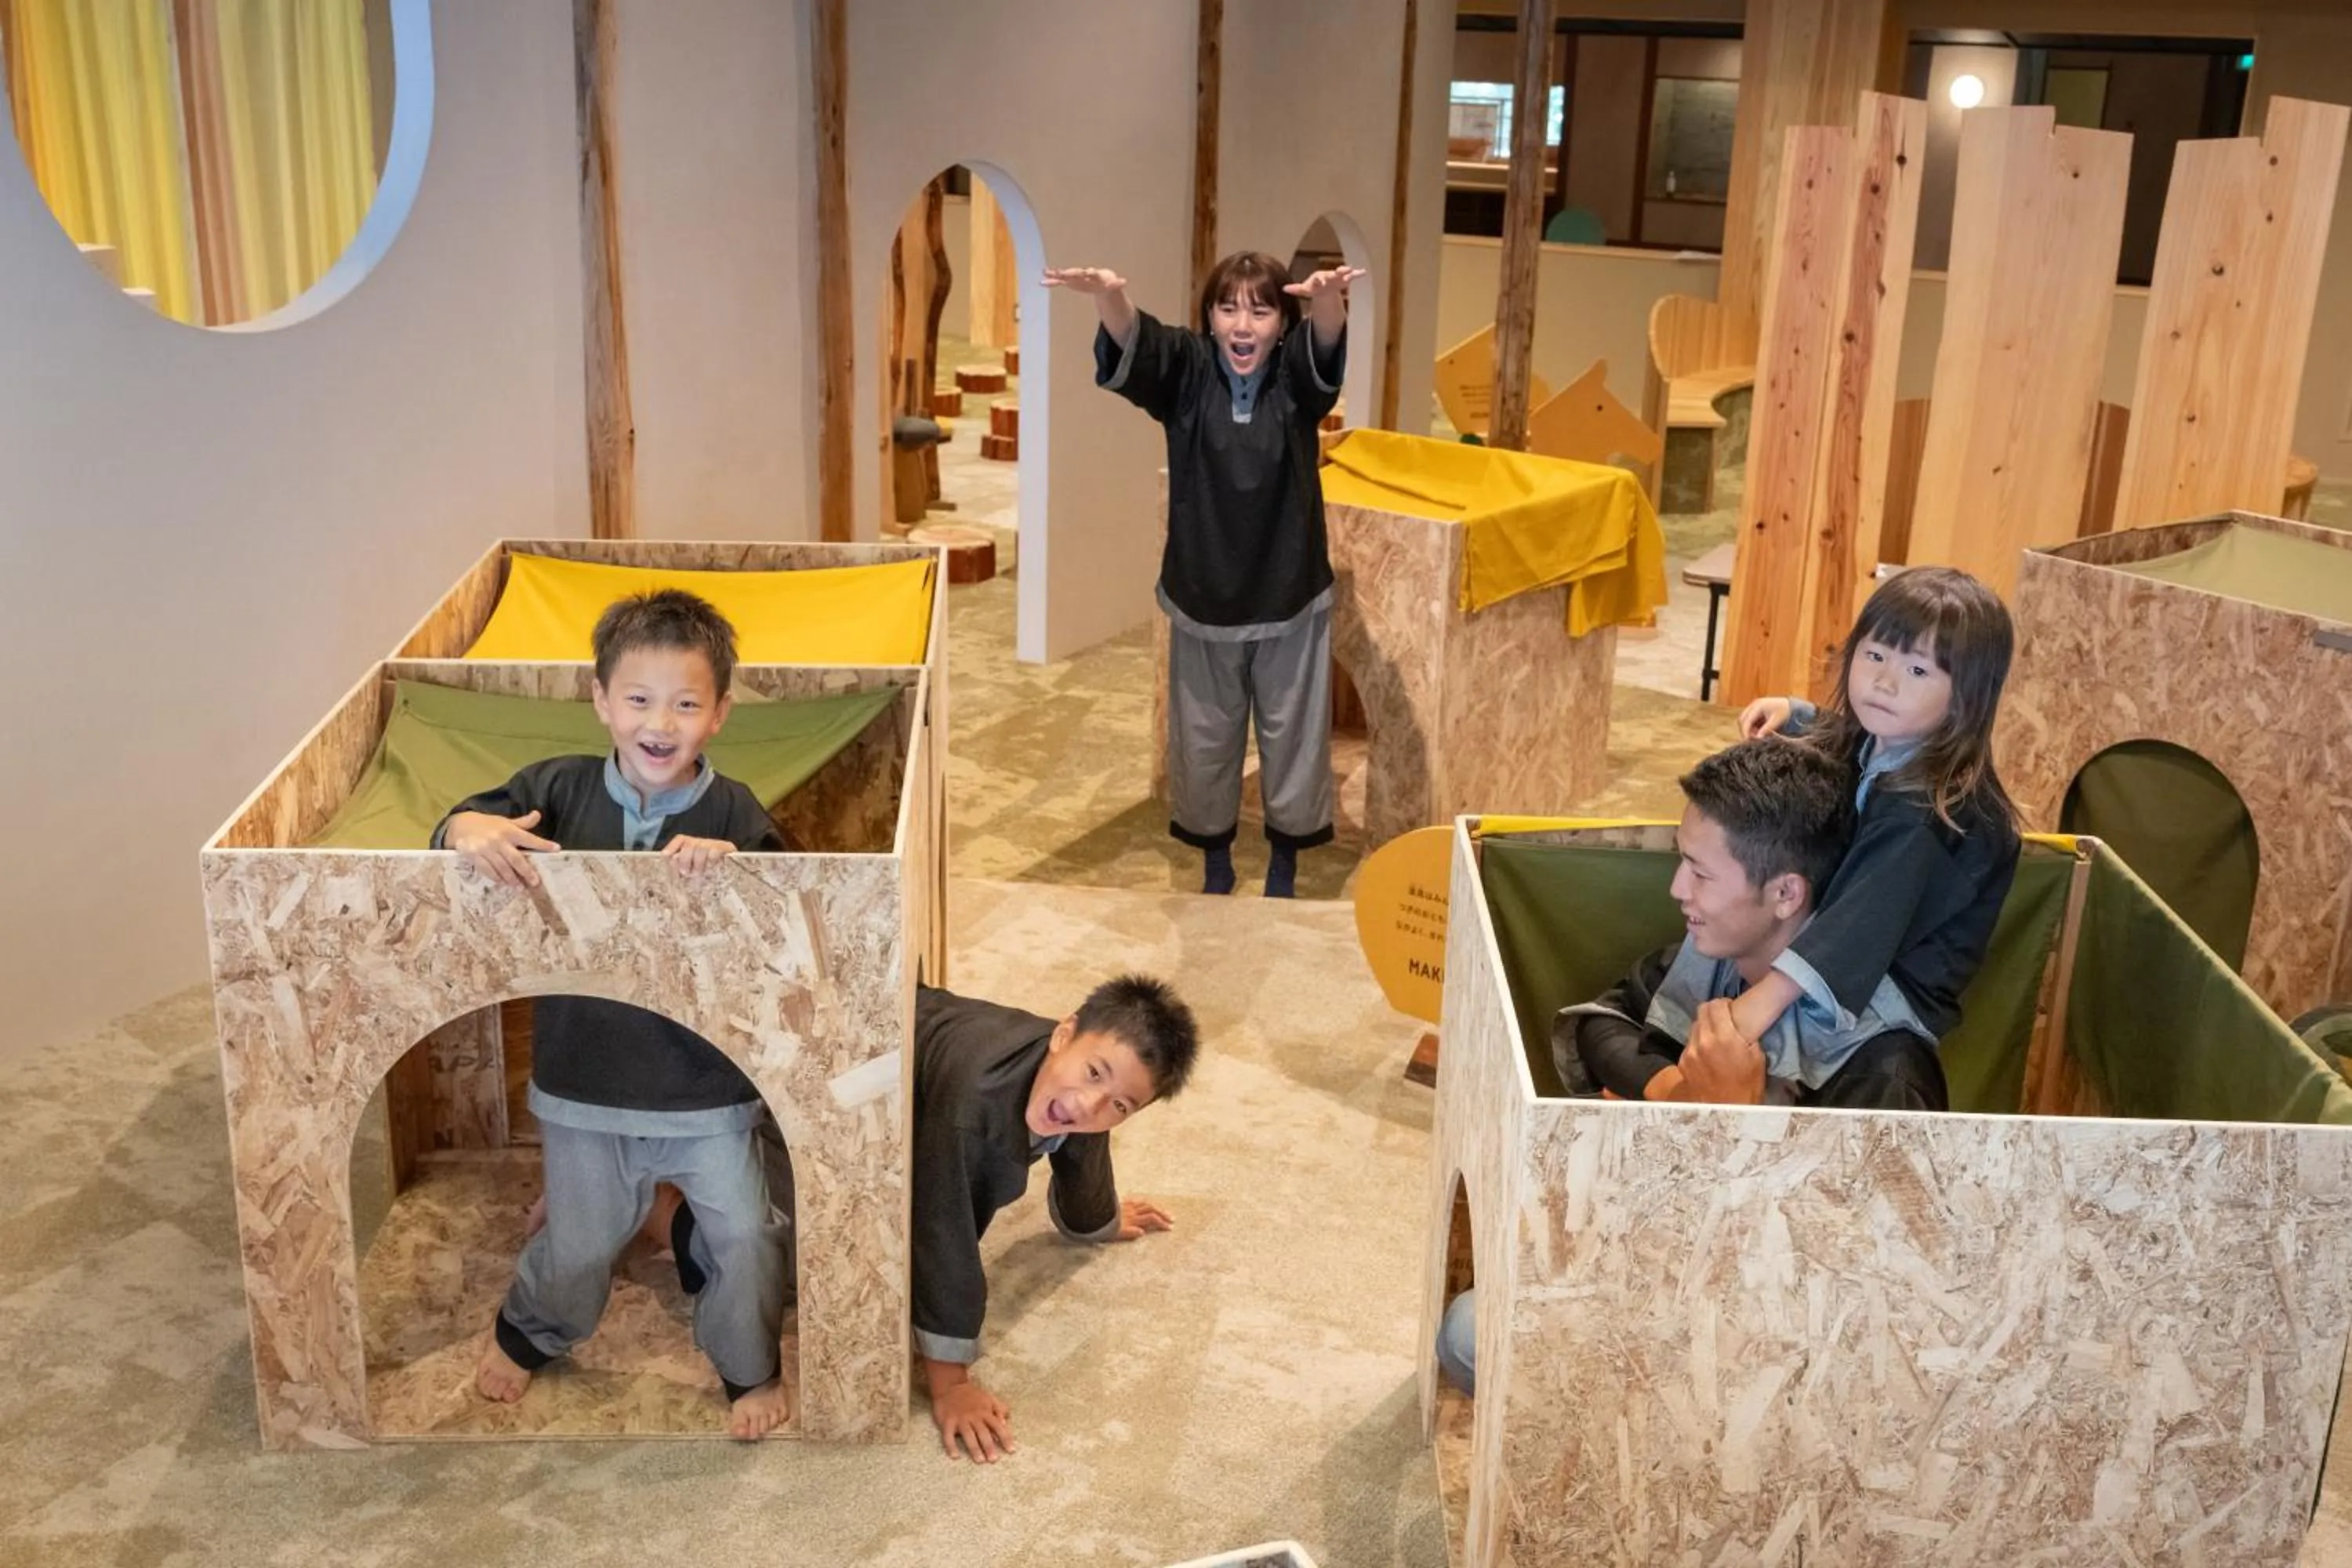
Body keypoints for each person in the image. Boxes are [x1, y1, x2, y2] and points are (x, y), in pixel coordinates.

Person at [1435, 739, 1940, 1398]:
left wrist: (1735, 1120)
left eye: (1701, 873)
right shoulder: (1717, 959)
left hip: (1776, 1353)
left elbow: (1858, 1296)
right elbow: (1601, 1023)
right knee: (1466, 1330)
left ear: (1786, 892)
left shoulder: (1884, 1065)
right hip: (1676, 1265)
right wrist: (1679, 1089)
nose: (1678, 889)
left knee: (1479, 1338)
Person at [442, 588, 794, 1441]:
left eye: (685, 701)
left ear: (719, 714)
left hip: (703, 1086)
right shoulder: (557, 787)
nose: (659, 721)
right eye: (637, 698)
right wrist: (464, 830)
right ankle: (530, 1333)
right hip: (586, 1085)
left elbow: (792, 908)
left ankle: (749, 1363)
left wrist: (735, 867)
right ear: (601, 700)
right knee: (581, 1239)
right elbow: (466, 818)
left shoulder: (734, 810)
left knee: (747, 1235)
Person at [667, 976, 1200, 1463]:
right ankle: (670, 1212)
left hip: (899, 1075)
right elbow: (945, 1229)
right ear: (1064, 1034)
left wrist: (1097, 1219)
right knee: (809, 1259)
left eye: (1121, 1105)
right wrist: (951, 1384)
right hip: (818, 1084)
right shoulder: (977, 1105)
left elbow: (1083, 1139)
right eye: (1093, 1073)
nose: (1089, 1104)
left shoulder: (1067, 1082)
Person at [1047, 250, 1362, 898]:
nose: (1242, 324)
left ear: (1282, 320)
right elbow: (1137, 342)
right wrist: (1108, 295)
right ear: (1209, 318)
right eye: (1227, 307)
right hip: (1202, 590)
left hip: (1289, 589)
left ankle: (1284, 864)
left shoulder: (1292, 376)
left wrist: (1328, 300)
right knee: (1205, 737)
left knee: (1293, 737)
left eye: (1260, 308)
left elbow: (1325, 348)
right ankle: (1216, 861)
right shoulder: (1188, 369)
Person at [1730, 565, 2022, 1080]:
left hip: (1896, 991)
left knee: (1755, 1044)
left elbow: (1861, 918)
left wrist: (1757, 1007)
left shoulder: (1929, 812)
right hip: (1856, 953)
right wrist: (1795, 713)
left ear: (1967, 695)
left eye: (1917, 671)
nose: (1885, 682)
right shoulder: (1895, 735)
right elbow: (1848, 733)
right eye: (1875, 655)